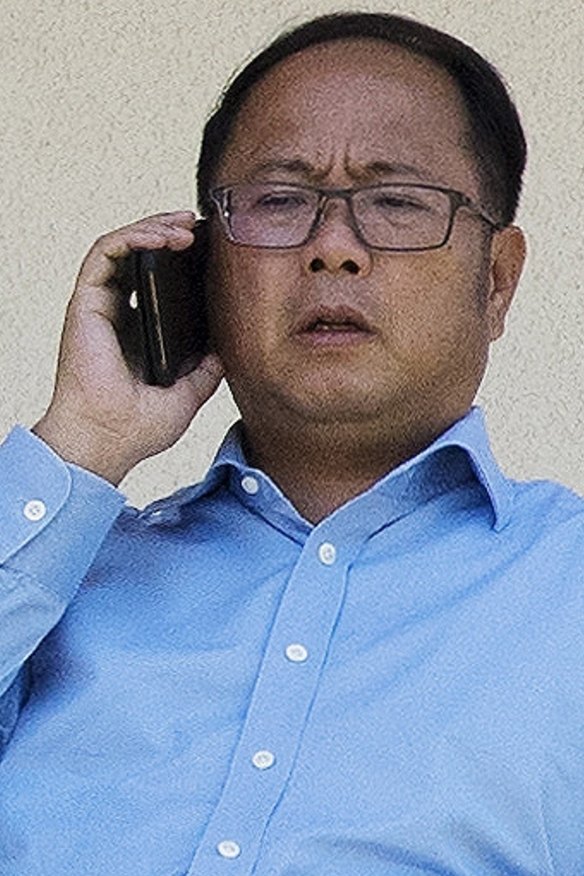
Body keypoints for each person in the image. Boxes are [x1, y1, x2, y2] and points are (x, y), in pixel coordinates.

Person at [0, 10, 581, 876]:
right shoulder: (56, 574)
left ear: (495, 282)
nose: (333, 250)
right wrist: (84, 443)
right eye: (279, 202)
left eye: (396, 202)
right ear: (200, 266)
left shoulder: (565, 586)